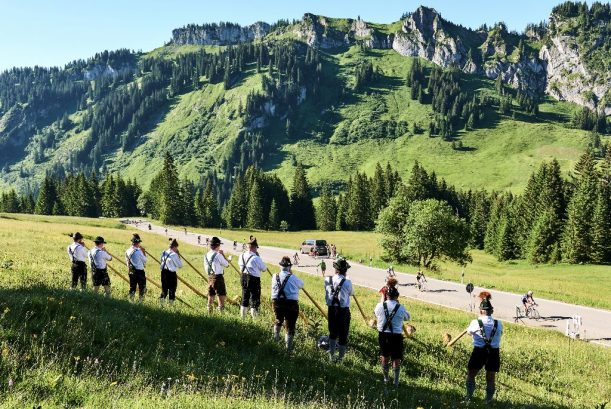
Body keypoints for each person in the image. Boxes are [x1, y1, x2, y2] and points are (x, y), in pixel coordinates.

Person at [464, 292, 503, 403]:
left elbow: (469, 333)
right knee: (491, 378)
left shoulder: (475, 322)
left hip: (479, 351)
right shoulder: (499, 323)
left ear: (481, 311)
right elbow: (500, 334)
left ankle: (469, 398)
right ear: (492, 312)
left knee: (471, 375)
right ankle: (488, 400)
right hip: (494, 352)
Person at [374, 285, 410, 386]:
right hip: (396, 336)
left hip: (383, 335)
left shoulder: (380, 305)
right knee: (396, 358)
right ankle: (396, 381)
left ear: (386, 296)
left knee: (384, 356)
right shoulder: (401, 307)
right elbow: (407, 317)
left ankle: (386, 379)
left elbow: (375, 313)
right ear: (397, 296)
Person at [271, 256, 304, 351]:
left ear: (280, 266)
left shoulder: (274, 276)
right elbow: (302, 285)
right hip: (291, 304)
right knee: (290, 326)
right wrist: (291, 274)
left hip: (277, 303)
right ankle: (288, 349)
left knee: (278, 320)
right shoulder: (293, 278)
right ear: (290, 267)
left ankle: (276, 340)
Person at [324, 256, 354, 362]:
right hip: (343, 311)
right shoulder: (347, 282)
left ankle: (331, 356)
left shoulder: (328, 279)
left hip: (332, 309)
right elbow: (351, 293)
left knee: (332, 333)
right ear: (345, 270)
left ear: (336, 269)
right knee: (343, 335)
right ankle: (341, 359)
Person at [238, 237, 267, 319]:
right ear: (255, 247)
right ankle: (255, 319)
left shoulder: (242, 255)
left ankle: (243, 318)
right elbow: (264, 269)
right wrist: (259, 257)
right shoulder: (256, 258)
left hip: (243, 276)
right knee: (254, 299)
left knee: (244, 297)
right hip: (254, 279)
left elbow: (240, 266)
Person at [205, 237, 229, 313]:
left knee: (211, 294)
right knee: (221, 294)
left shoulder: (206, 255)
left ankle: (209, 311)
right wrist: (223, 255)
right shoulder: (218, 255)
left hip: (210, 276)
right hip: (218, 277)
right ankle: (220, 311)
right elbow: (227, 264)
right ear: (217, 245)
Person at [159, 238, 183, 306]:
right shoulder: (174, 255)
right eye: (176, 247)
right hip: (171, 274)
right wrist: (178, 255)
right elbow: (180, 265)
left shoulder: (164, 252)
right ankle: (171, 305)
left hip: (163, 272)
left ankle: (161, 304)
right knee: (172, 289)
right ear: (175, 247)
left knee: (164, 289)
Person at [125, 233, 148, 302]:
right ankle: (140, 302)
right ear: (138, 243)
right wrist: (143, 252)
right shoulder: (139, 251)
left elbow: (127, 263)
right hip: (139, 272)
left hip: (131, 271)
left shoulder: (127, 251)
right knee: (142, 288)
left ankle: (130, 301)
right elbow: (145, 260)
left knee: (132, 287)